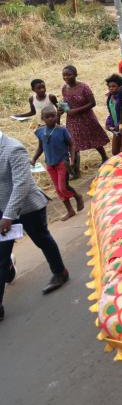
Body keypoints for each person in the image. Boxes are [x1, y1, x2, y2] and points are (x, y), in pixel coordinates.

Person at [0, 131, 70, 322]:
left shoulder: (13, 149)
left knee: (42, 239)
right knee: (1, 254)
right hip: (3, 209)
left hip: (27, 207)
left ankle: (60, 272)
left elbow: (21, 184)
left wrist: (8, 216)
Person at [31, 106, 83, 221]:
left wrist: (72, 159)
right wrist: (34, 159)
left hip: (62, 163)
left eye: (53, 116)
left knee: (63, 187)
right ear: (42, 118)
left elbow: (71, 144)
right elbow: (41, 147)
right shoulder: (40, 131)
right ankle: (70, 211)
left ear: (56, 116)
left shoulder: (62, 130)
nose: (51, 119)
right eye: (47, 117)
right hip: (50, 164)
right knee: (58, 190)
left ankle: (78, 196)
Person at [60, 65, 110, 177]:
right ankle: (75, 171)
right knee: (73, 144)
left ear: (76, 75)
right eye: (64, 75)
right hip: (72, 120)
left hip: (86, 118)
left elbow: (92, 103)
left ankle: (104, 157)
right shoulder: (64, 88)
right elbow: (66, 102)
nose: (66, 77)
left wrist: (76, 110)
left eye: (69, 74)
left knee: (94, 139)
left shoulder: (83, 87)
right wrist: (62, 108)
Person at [104, 74, 122, 155]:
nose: (111, 88)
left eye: (114, 86)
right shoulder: (110, 98)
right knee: (115, 152)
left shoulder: (121, 97)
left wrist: (120, 124)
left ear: (120, 86)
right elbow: (112, 113)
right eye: (109, 86)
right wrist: (108, 124)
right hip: (116, 129)